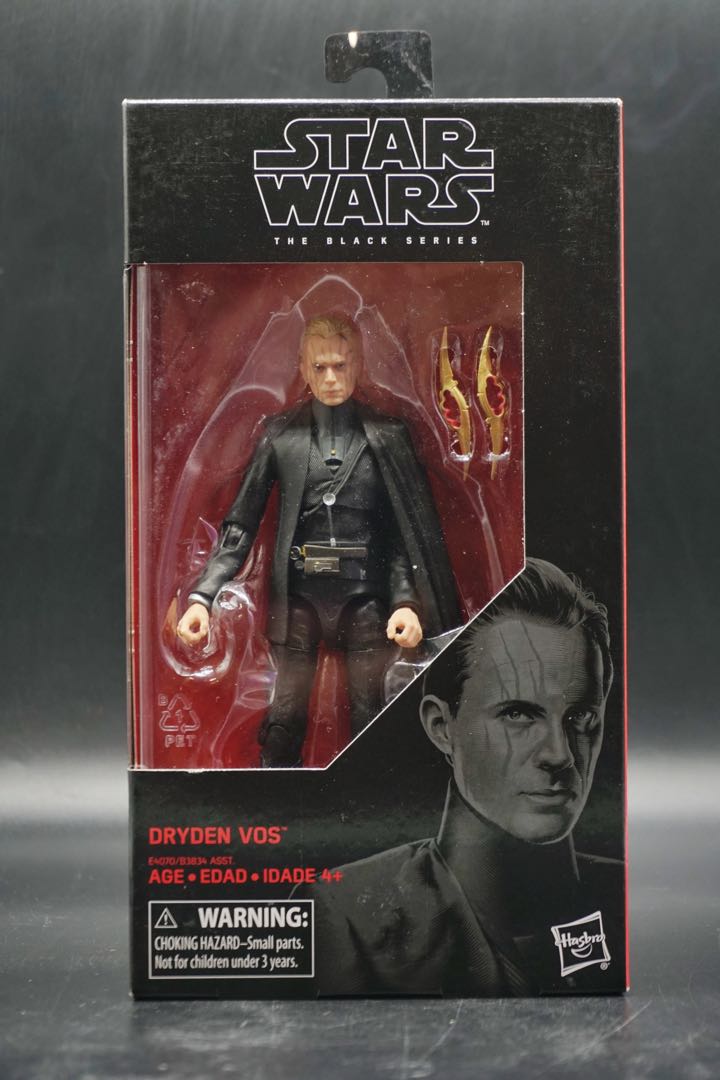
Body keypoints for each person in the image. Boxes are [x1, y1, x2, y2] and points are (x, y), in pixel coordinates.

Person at [305, 559, 624, 994]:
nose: (560, 754)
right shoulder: (349, 916)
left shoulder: (623, 896)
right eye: (518, 714)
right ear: (442, 726)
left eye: (581, 716)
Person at [176, 313, 460, 767]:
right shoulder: (279, 437)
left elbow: (404, 534)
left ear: (358, 365)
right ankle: (282, 796)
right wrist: (202, 597)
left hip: (366, 601)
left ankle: (369, 800)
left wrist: (407, 603)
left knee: (371, 718)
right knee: (284, 719)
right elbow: (240, 525)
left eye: (340, 366)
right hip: (300, 601)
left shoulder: (388, 437)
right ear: (304, 370)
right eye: (320, 367)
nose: (330, 378)